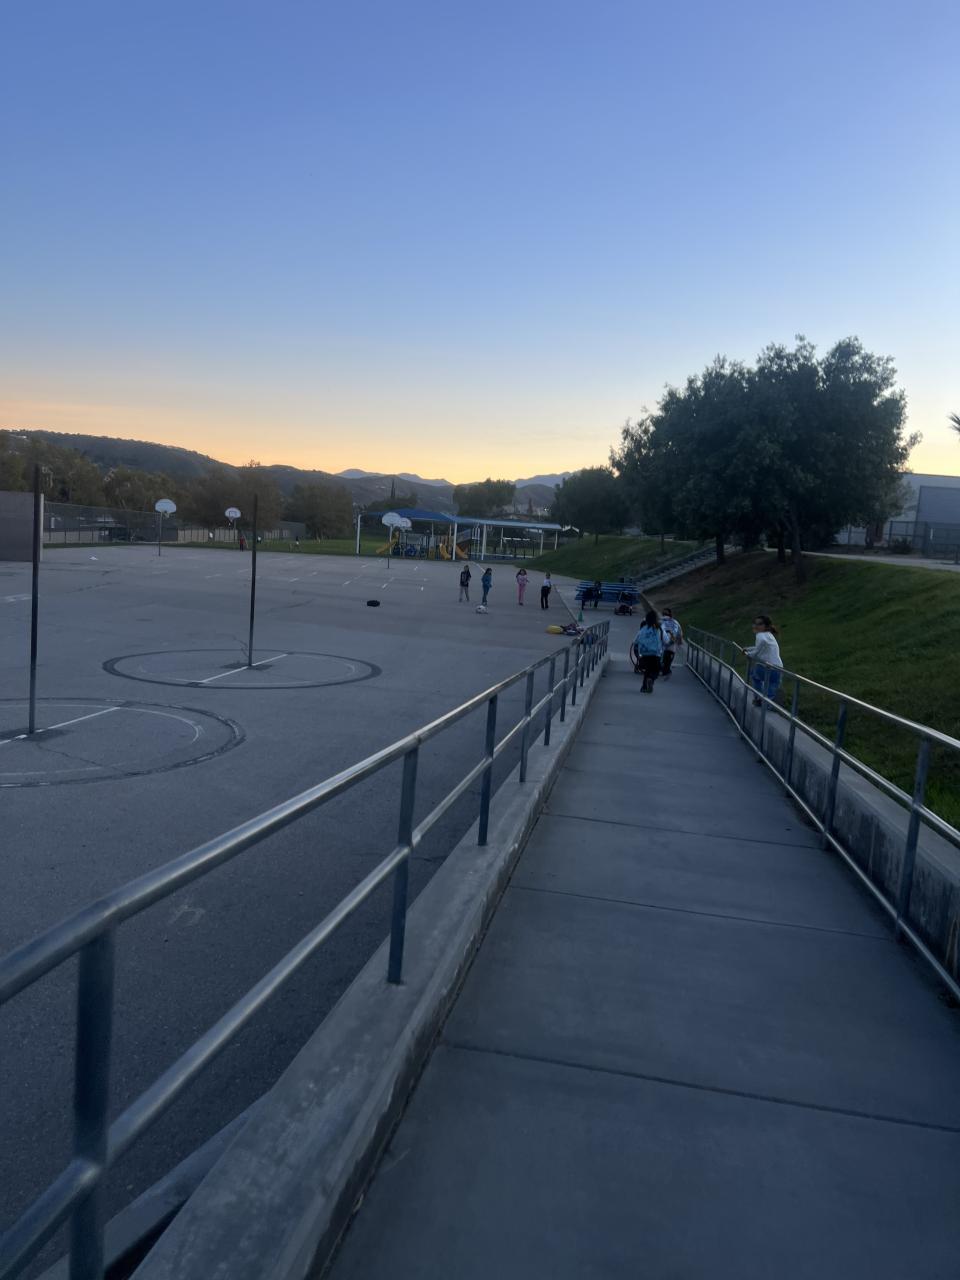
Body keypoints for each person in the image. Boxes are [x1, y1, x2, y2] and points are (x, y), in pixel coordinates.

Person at [744, 614, 783, 705]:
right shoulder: (769, 635)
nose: (756, 626)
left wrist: (750, 654)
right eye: (755, 623)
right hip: (776, 667)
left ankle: (759, 698)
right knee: (772, 685)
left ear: (766, 626)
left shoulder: (760, 635)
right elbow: (762, 646)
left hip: (764, 666)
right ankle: (767, 702)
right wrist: (748, 649)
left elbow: (761, 643)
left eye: (760, 624)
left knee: (755, 676)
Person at [632, 609, 663, 694]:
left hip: (644, 653)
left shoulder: (643, 629)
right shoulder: (659, 628)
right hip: (656, 653)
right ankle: (651, 679)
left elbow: (635, 641)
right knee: (656, 670)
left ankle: (644, 687)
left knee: (647, 670)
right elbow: (665, 640)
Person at [660, 607, 683, 678]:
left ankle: (662, 669)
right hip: (671, 644)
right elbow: (680, 633)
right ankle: (666, 670)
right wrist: (680, 641)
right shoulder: (675, 622)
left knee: (661, 657)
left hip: (661, 644)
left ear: (663, 614)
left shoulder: (660, 621)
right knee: (669, 659)